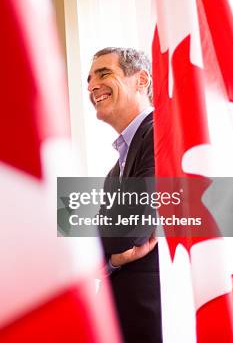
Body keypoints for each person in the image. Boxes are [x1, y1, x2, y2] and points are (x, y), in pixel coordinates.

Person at [87, 47, 161, 343]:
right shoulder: (113, 174)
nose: (92, 86)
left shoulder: (160, 133)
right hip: (123, 321)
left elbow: (128, 229)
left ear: (141, 80)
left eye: (104, 74)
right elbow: (115, 240)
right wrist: (115, 260)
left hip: (154, 321)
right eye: (89, 80)